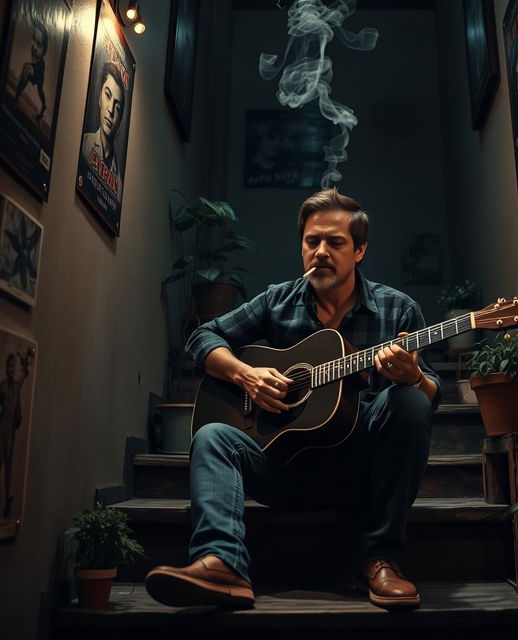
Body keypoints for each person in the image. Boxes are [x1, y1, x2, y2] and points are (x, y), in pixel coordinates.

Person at [145, 189, 442, 610]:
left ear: (360, 250)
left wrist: (413, 377)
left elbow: (433, 393)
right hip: (284, 469)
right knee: (212, 435)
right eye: (311, 241)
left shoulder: (398, 310)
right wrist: (246, 374)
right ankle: (221, 565)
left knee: (410, 401)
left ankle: (380, 559)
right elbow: (202, 337)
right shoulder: (277, 300)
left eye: (335, 243)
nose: (320, 251)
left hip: (361, 476)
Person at [81, 61, 125, 201]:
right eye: (107, 95)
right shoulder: (84, 144)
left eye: (117, 107)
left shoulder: (119, 185)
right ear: (99, 98)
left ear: (120, 120)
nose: (111, 110)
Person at [0, 352, 30, 519]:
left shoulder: (15, 387)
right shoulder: (3, 387)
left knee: (9, 468)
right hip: (1, 431)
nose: (11, 369)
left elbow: (26, 375)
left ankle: (6, 503)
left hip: (10, 433)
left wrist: (24, 363)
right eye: (9, 366)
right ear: (6, 368)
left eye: (13, 366)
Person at [14, 17, 48, 123]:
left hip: (38, 76)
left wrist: (33, 70)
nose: (34, 47)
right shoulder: (35, 57)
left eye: (39, 44)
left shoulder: (41, 62)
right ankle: (17, 94)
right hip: (34, 73)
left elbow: (39, 70)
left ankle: (43, 107)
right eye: (33, 40)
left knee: (40, 91)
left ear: (44, 51)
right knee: (26, 72)